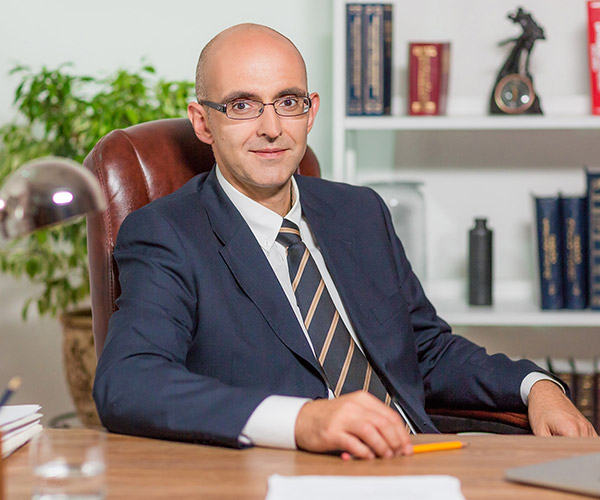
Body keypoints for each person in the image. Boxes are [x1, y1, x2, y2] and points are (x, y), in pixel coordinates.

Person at [93, 23, 596, 460]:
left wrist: (536, 387)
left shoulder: (359, 212)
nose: (272, 128)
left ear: (310, 111)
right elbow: (129, 382)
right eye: (242, 105)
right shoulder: (167, 234)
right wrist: (301, 421)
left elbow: (426, 349)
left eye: (288, 102)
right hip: (290, 473)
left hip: (421, 459)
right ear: (203, 121)